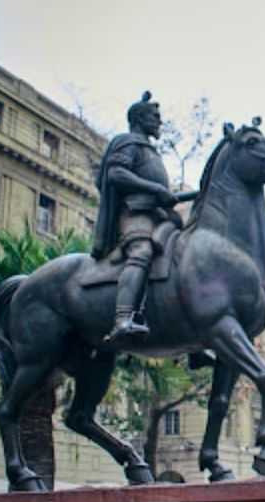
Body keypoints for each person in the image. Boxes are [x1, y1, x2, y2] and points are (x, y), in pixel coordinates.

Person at [91, 91, 182, 343]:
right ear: (140, 119)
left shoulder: (151, 151)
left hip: (159, 216)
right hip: (135, 213)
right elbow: (116, 174)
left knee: (185, 260)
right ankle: (122, 319)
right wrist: (157, 190)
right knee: (141, 252)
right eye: (155, 117)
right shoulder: (128, 142)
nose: (159, 122)